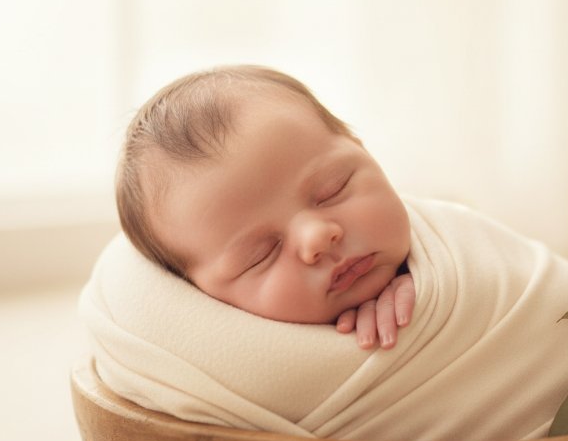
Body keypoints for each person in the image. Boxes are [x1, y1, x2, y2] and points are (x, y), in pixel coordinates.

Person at [115, 65, 415, 350]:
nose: (317, 237)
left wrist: (427, 283)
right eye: (261, 256)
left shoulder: (449, 251)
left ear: (362, 150)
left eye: (333, 190)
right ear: (202, 296)